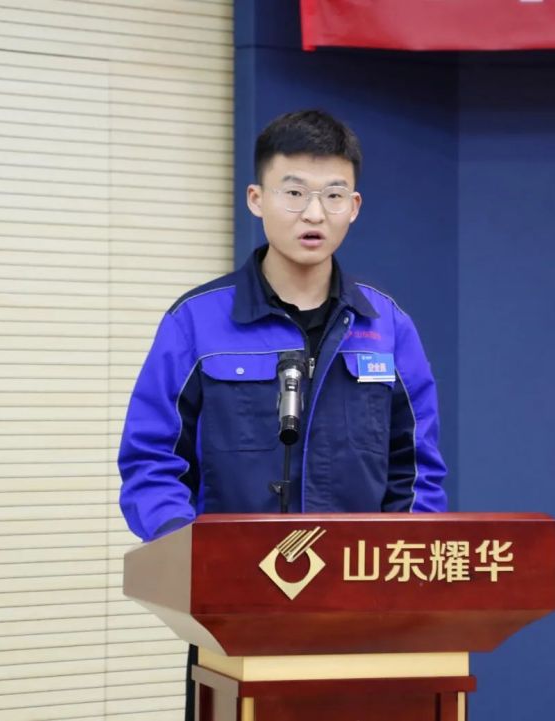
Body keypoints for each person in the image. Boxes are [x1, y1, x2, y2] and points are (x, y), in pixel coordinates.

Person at [117, 109, 447, 719]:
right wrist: (193, 562)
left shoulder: (388, 327)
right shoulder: (196, 322)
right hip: (231, 615)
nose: (313, 213)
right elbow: (150, 462)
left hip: (359, 614)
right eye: (294, 193)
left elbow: (418, 470)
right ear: (257, 199)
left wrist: (400, 582)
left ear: (355, 206)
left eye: (333, 195)